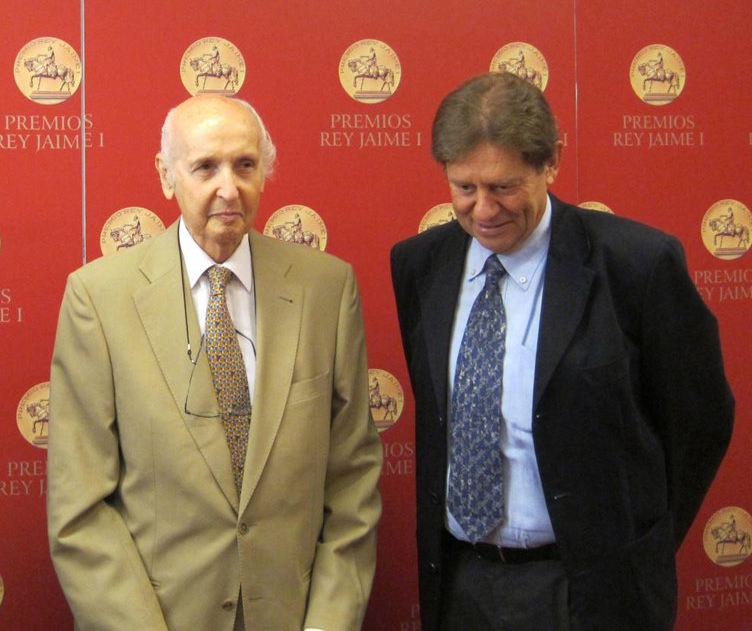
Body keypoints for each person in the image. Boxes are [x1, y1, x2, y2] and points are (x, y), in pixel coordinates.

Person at [390, 72, 733, 631]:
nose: (483, 210)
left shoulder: (637, 265)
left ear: (551, 162)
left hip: (591, 592)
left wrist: (640, 543)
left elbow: (699, 422)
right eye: (464, 187)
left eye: (503, 186)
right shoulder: (420, 264)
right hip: (461, 584)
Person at [47, 94, 382, 631]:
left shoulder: (326, 289)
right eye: (205, 167)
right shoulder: (100, 299)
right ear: (166, 175)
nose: (229, 188)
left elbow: (353, 482)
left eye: (245, 165)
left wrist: (327, 623)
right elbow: (80, 507)